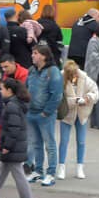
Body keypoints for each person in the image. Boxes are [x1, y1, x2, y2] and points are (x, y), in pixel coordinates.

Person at [0, 78, 34, 198]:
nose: (0, 91)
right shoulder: (15, 104)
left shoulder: (11, 106)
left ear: (9, 91)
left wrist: (7, 146)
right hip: (16, 145)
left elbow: (13, 128)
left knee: (18, 174)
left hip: (13, 146)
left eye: (2, 88)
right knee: (2, 170)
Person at [25, 44, 62, 187]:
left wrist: (46, 112)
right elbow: (26, 88)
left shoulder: (53, 72)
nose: (32, 55)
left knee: (49, 144)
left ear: (44, 56)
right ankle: (38, 171)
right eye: (32, 53)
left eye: (35, 53)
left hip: (45, 115)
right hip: (31, 112)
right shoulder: (32, 70)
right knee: (36, 144)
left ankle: (51, 173)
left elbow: (57, 95)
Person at [57, 60, 99, 180]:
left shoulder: (84, 77)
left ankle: (80, 167)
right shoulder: (60, 78)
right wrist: (74, 101)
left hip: (82, 113)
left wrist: (87, 98)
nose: (74, 77)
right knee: (64, 141)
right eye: (71, 76)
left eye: (75, 75)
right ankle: (61, 167)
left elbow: (95, 92)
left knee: (81, 141)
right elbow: (58, 97)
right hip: (67, 113)